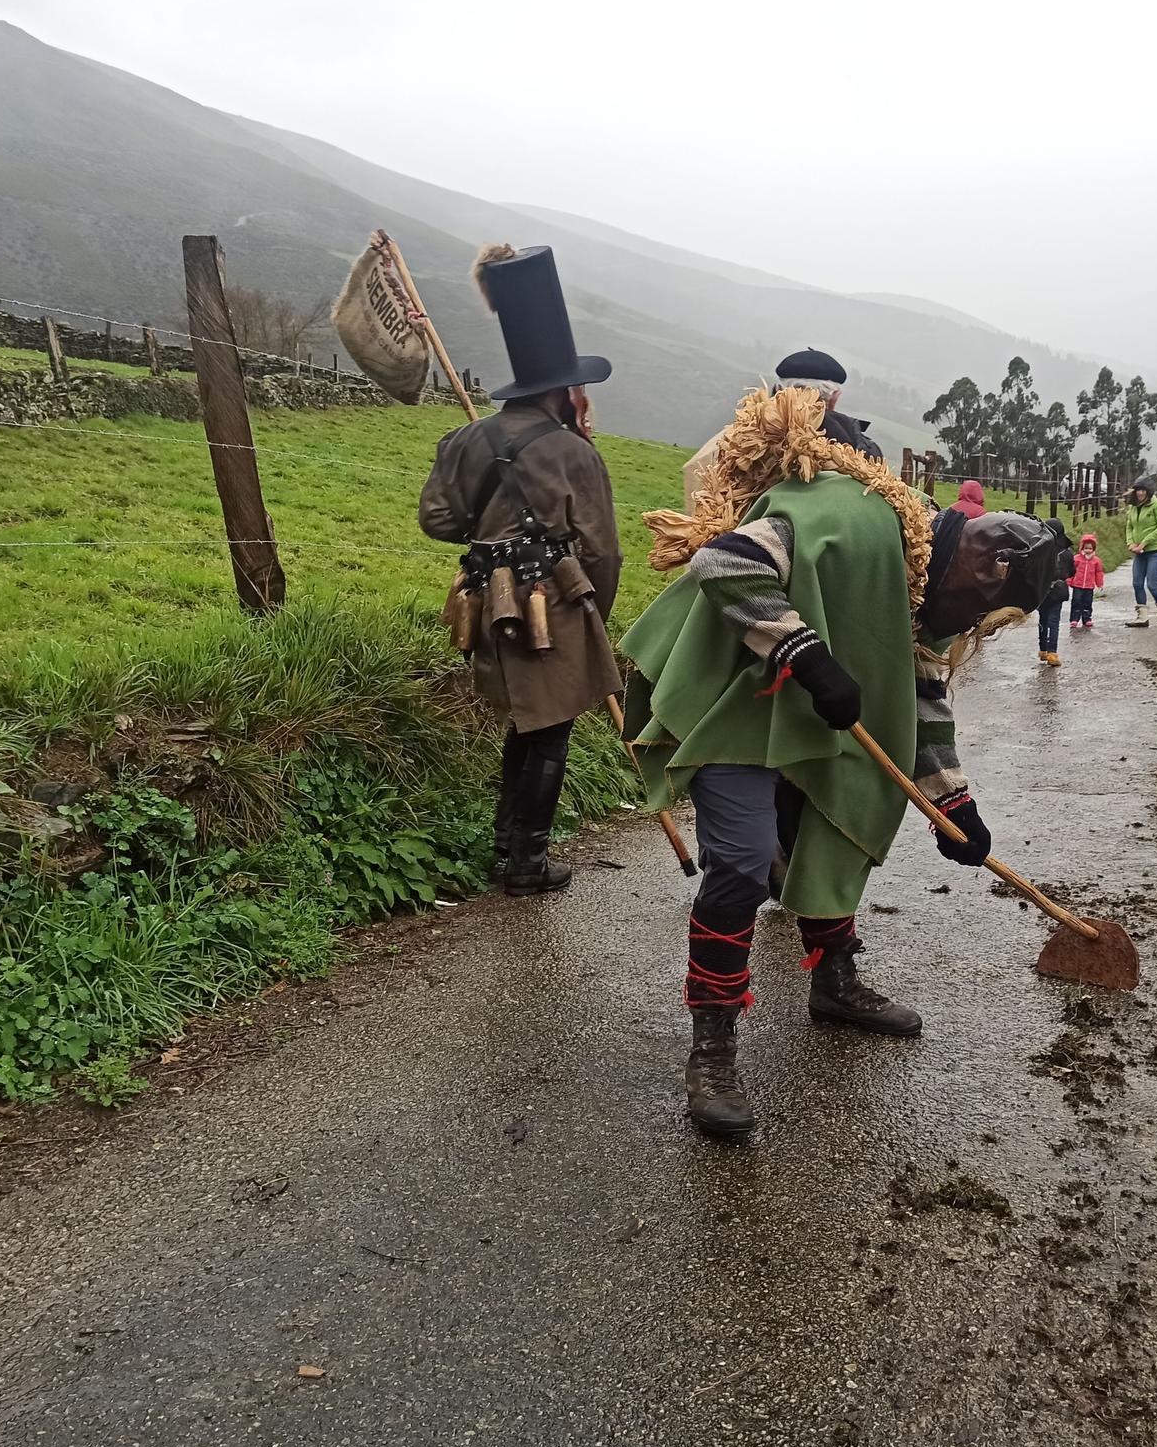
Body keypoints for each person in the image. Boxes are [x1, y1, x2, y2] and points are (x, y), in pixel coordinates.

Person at [623, 387, 1062, 1141]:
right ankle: (713, 1046)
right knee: (740, 861)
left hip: (813, 718)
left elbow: (917, 692)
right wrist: (804, 653)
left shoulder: (926, 582)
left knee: (850, 813)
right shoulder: (853, 518)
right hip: (739, 702)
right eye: (981, 614)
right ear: (986, 564)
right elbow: (723, 562)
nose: (967, 629)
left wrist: (954, 806)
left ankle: (834, 978)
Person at [419, 245, 620, 896]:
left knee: (526, 726)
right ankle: (526, 863)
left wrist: (488, 510)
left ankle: (510, 848)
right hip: (551, 608)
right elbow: (603, 554)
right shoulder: (575, 454)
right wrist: (594, 616)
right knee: (550, 732)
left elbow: (439, 523)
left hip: (488, 602)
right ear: (564, 393)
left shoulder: (466, 440)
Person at [681, 347, 881, 507]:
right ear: (835, 398)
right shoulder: (861, 451)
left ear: (777, 391)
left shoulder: (735, 440)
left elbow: (696, 476)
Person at [1123, 476, 1157, 626]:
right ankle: (1142, 616)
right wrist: (1131, 543)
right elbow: (1130, 526)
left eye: (1143, 490)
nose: (1140, 493)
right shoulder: (1133, 507)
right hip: (1139, 552)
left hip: (1156, 551)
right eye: (1138, 490)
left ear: (1149, 491)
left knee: (1152, 584)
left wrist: (1144, 543)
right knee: (1137, 583)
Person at [1034, 516, 1072, 666]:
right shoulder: (1067, 552)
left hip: (1042, 591)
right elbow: (1072, 571)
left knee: (1042, 620)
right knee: (1053, 622)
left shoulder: (1039, 550)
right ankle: (1052, 653)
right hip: (1059, 590)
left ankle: (1042, 650)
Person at [1068, 531, 1106, 631]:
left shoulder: (1096, 561)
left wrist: (1099, 583)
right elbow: (1071, 570)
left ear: (1093, 549)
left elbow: (1099, 572)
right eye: (1086, 548)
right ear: (1082, 548)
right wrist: (1069, 580)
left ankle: (1087, 618)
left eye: (1090, 548)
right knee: (1076, 601)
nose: (1088, 550)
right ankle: (1074, 619)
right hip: (1078, 585)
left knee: (1087, 603)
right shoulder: (1077, 559)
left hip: (1089, 586)